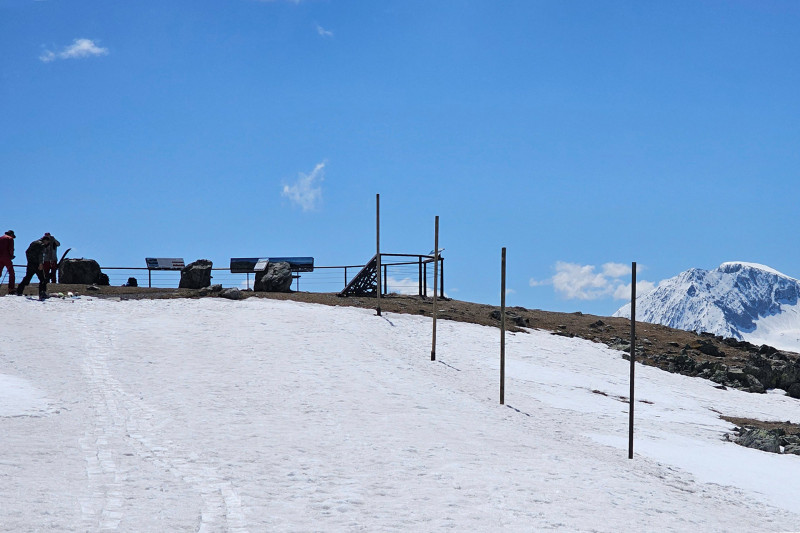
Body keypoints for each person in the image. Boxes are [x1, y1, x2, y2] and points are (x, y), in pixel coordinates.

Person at [16, 234, 53, 299]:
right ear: (45, 240)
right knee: (42, 279)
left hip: (30, 263)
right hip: (37, 264)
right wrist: (41, 264)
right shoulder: (41, 245)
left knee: (27, 278)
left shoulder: (33, 243)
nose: (47, 244)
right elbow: (40, 255)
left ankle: (19, 291)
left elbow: (27, 252)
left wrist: (29, 261)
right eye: (48, 242)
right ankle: (42, 293)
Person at [0, 230, 15, 294]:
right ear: (11, 234)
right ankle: (11, 289)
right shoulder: (10, 239)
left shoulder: (0, 238)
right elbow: (11, 249)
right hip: (6, 258)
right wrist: (11, 256)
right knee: (11, 273)